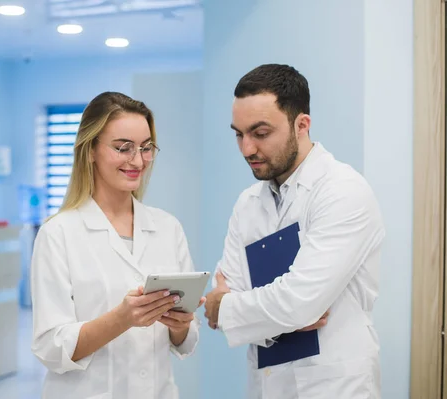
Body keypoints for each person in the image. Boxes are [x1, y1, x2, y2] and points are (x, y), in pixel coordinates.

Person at [203, 64, 385, 398]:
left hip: (335, 388)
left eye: (260, 133)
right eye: (238, 134)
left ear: (302, 125)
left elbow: (297, 303)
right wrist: (276, 312)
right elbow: (229, 291)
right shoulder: (247, 203)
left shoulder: (343, 191)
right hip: (267, 385)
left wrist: (226, 308)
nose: (246, 149)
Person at [31, 91, 204, 399]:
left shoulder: (168, 227)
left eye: (146, 148)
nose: (137, 161)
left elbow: (184, 341)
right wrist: (122, 319)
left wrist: (181, 323)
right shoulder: (58, 233)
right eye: (123, 148)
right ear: (91, 150)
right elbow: (50, 347)